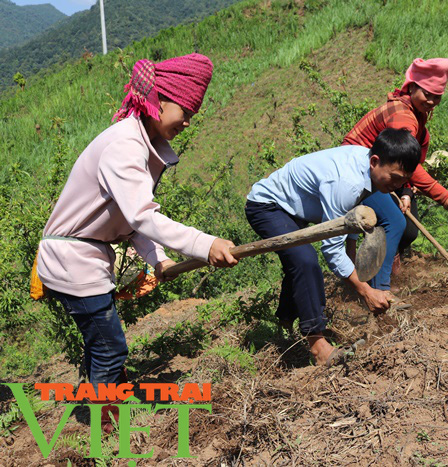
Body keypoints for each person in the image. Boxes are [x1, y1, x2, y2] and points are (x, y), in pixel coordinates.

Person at [36, 53, 238, 431]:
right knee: (110, 346)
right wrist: (204, 243)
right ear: (159, 100)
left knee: (103, 342)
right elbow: (143, 215)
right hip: (74, 258)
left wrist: (158, 259)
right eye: (187, 109)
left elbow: (132, 225)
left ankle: (107, 399)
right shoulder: (125, 146)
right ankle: (103, 427)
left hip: (86, 255)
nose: (189, 120)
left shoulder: (139, 143)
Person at [245, 128, 421, 367]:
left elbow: (347, 221)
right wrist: (365, 291)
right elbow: (332, 250)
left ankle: (285, 321)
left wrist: (354, 276)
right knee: (305, 258)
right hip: (268, 205)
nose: (397, 186)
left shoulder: (367, 166)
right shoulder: (346, 181)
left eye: (403, 181)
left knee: (296, 259)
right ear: (375, 161)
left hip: (296, 208)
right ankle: (318, 347)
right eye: (395, 178)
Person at [342, 58, 448, 296]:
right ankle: (380, 290)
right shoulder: (403, 117)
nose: (431, 101)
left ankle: (377, 268)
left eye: (437, 97)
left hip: (384, 171)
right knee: (394, 222)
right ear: (412, 87)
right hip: (358, 171)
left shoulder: (417, 116)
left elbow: (410, 163)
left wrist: (406, 192)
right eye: (427, 94)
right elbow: (407, 164)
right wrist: (443, 196)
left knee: (407, 230)